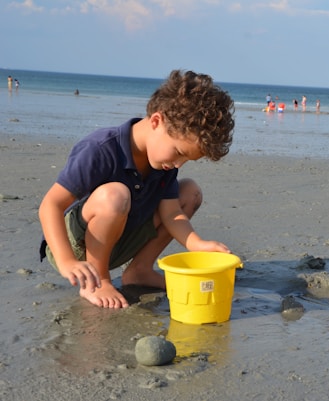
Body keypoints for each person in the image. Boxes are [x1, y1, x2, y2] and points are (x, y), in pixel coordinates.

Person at [38, 70, 235, 309]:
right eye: (179, 152)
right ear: (156, 121)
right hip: (77, 245)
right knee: (115, 196)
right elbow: (51, 205)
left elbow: (172, 213)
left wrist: (197, 244)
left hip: (122, 237)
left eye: (187, 160)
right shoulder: (100, 149)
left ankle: (139, 270)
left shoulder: (164, 162)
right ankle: (98, 281)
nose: (178, 164)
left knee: (190, 191)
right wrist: (67, 260)